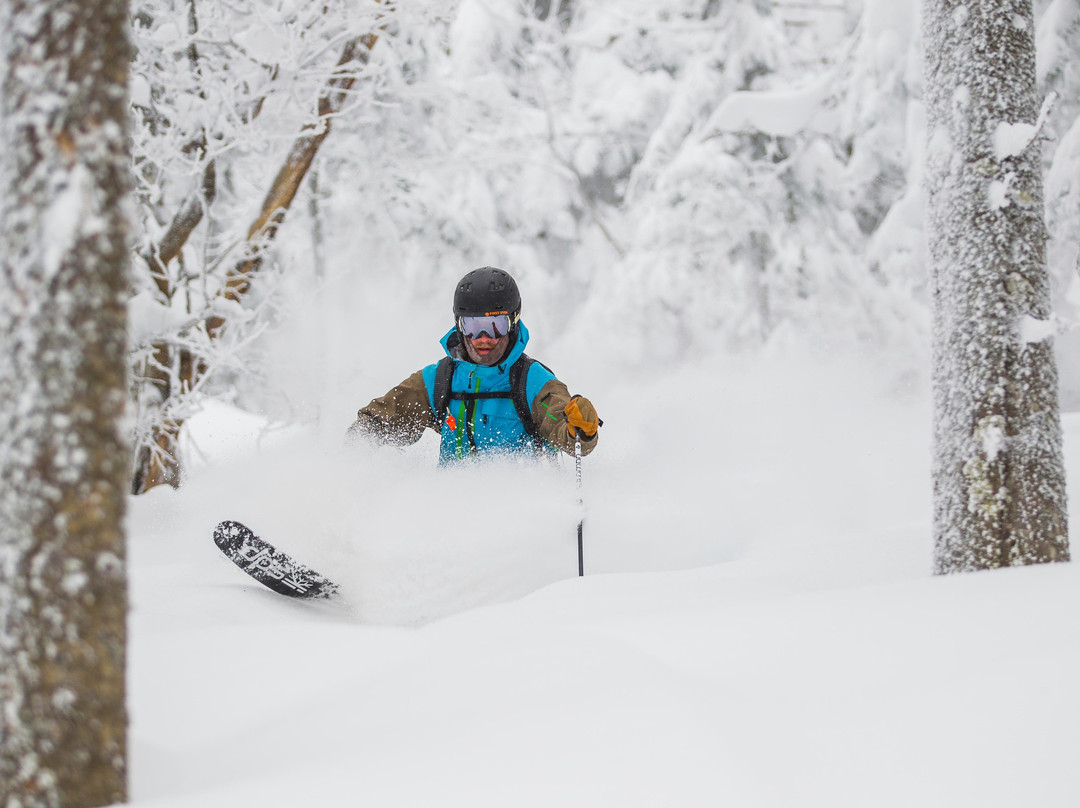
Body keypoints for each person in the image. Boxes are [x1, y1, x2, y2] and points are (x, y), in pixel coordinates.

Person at [348, 266, 600, 462]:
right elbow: (379, 419)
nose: (483, 339)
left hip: (521, 514)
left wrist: (581, 430)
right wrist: (356, 450)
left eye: (495, 326)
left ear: (513, 323)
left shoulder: (532, 382)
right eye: (472, 326)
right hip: (452, 516)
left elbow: (568, 435)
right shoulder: (440, 379)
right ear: (459, 325)